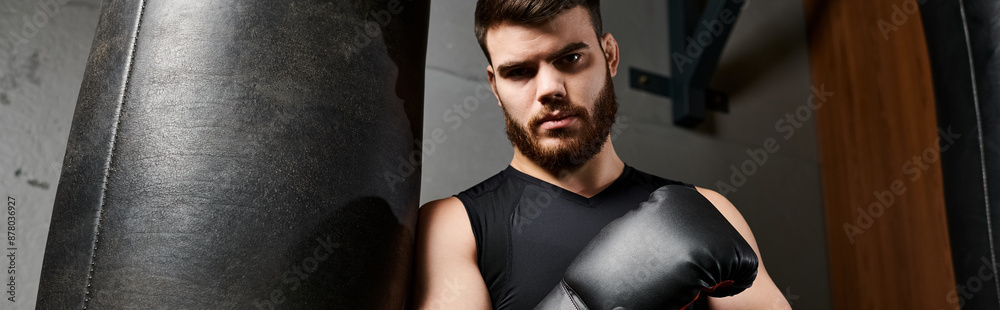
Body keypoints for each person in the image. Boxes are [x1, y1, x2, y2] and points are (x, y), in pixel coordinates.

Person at [411, 0, 792, 309]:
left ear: (609, 55)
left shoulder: (707, 210)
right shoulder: (456, 225)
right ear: (494, 85)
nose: (549, 89)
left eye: (570, 59)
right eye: (519, 72)